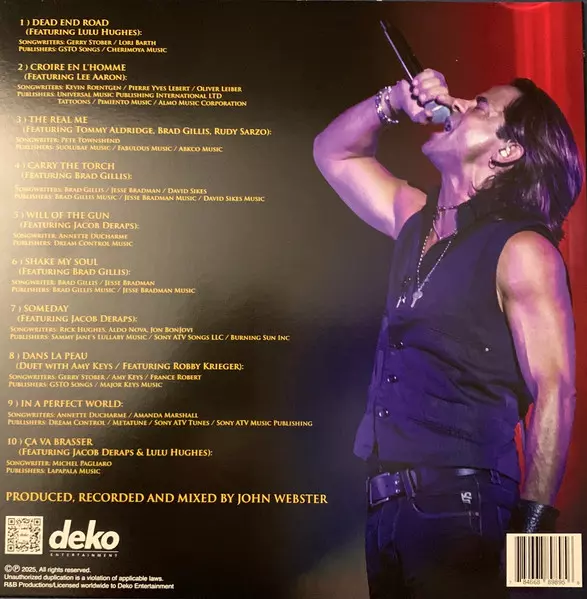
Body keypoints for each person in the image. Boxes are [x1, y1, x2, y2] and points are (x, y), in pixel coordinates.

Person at [313, 70, 583, 598]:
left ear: (507, 151)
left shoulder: (523, 251)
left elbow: (558, 392)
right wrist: (393, 100)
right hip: (386, 512)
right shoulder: (415, 218)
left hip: (466, 510)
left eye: (479, 105)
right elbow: (332, 152)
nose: (456, 103)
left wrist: (534, 564)